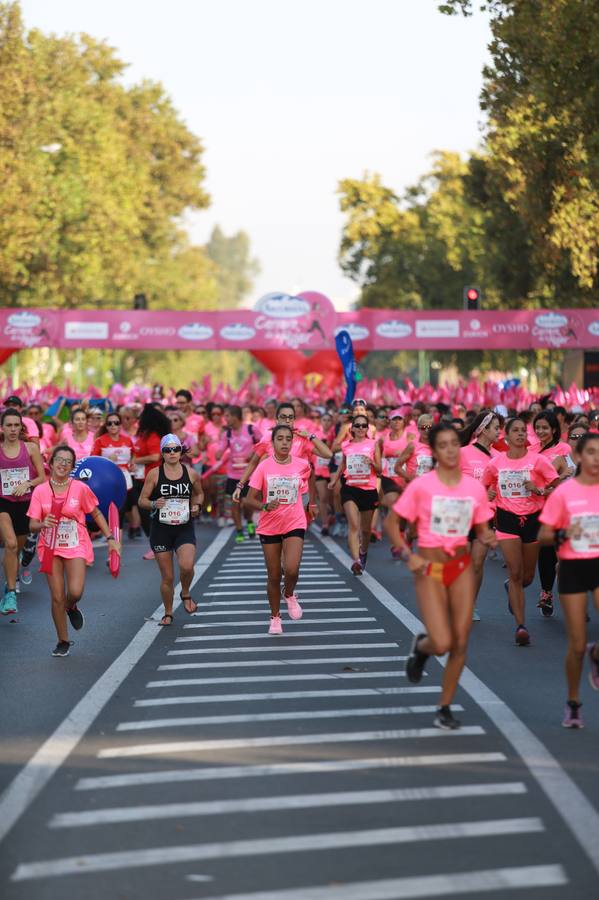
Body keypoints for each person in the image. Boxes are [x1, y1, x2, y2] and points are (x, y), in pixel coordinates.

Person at [387, 423, 496, 730]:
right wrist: (409, 555)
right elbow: (392, 524)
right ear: (433, 452)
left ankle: (444, 706)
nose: (450, 450)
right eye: (443, 445)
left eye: (453, 444)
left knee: (461, 643)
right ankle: (422, 648)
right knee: (442, 643)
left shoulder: (473, 489)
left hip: (460, 569)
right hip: (429, 570)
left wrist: (489, 538)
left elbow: (483, 528)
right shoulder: (423, 486)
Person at [26, 444, 121, 656]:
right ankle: (63, 640)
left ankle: (71, 607)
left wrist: (111, 538)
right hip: (49, 546)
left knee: (75, 591)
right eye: (59, 460)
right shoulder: (40, 491)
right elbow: (32, 524)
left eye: (68, 462)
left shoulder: (80, 488)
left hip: (75, 543)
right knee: (57, 596)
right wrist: (43, 524)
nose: (63, 464)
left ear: (72, 467)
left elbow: (95, 513)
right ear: (50, 463)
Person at [538, 432, 599, 728]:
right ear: (577, 457)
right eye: (591, 452)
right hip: (573, 566)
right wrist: (564, 534)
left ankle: (596, 654)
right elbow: (544, 536)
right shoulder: (564, 492)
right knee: (576, 645)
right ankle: (573, 703)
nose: (597, 458)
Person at [482, 416, 559, 645]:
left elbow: (555, 483)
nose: (520, 434)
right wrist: (487, 496)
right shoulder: (495, 464)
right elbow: (482, 487)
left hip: (533, 519)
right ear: (506, 436)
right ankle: (521, 626)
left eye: (523, 431)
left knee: (527, 577)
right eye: (515, 431)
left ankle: (512, 587)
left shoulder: (538, 461)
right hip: (506, 519)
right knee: (515, 573)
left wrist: (539, 489)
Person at [245, 425, 313, 634]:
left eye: (288, 439)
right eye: (280, 439)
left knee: (292, 569)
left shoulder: (302, 465)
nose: (284, 443)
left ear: (292, 443)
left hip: (294, 522)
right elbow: (249, 499)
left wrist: (309, 507)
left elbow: (304, 492)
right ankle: (275, 618)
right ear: (272, 443)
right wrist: (265, 506)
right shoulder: (264, 467)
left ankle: (289, 593)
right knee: (274, 575)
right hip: (270, 525)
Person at [138, 433, 204, 625]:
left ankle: (185, 591)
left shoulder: (191, 473)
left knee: (187, 566)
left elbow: (200, 495)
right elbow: (141, 500)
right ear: (162, 453)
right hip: (161, 530)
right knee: (167, 576)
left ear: (181, 451)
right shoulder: (154, 474)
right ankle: (168, 612)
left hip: (184, 528)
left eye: (176, 449)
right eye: (168, 450)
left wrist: (197, 507)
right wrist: (153, 504)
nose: (173, 453)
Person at [0, 410, 45, 614]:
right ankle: (10, 593)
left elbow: (42, 478)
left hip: (26, 503)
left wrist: (27, 483)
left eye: (16, 425)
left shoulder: (31, 448)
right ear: (2, 428)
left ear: (21, 427)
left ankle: (11, 577)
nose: (12, 429)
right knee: (9, 543)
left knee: (15, 550)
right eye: (8, 425)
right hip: (3, 503)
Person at [459, 411, 501, 621]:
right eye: (495, 428)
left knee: (477, 563)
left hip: (486, 517)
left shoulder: (498, 459)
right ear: (484, 429)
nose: (499, 432)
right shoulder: (463, 453)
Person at [329, 413, 382, 575]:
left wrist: (372, 463)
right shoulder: (346, 445)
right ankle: (355, 560)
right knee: (354, 525)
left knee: (365, 531)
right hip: (350, 487)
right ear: (351, 428)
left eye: (363, 426)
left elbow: (380, 470)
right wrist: (334, 480)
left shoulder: (373, 444)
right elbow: (343, 465)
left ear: (367, 428)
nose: (360, 428)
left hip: (368, 489)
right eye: (357, 425)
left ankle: (363, 552)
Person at [534, 410, 575, 615]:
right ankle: (546, 593)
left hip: (563, 509)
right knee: (545, 552)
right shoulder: (531, 449)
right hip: (537, 507)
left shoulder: (563, 449)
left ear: (554, 429)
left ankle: (570, 597)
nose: (541, 431)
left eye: (545, 428)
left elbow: (565, 478)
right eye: (538, 427)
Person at [134, 404, 172, 559]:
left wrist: (135, 460)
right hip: (143, 477)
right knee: (148, 512)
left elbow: (155, 456)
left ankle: (159, 546)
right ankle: (158, 545)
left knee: (151, 513)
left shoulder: (153, 436)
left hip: (153, 479)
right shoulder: (146, 435)